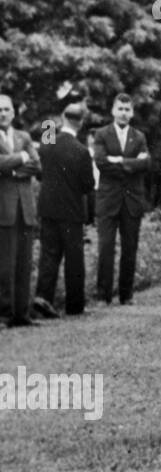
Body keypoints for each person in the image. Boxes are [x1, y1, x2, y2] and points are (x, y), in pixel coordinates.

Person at [32, 103, 94, 319]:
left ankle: (43, 297)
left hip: (47, 208)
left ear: (62, 118)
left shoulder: (47, 142)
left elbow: (40, 172)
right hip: (72, 211)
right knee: (74, 258)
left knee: (48, 255)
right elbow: (88, 185)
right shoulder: (82, 151)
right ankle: (74, 305)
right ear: (81, 122)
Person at [93, 94, 150, 305]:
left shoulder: (140, 137)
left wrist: (118, 161)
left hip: (132, 201)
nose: (124, 113)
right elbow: (100, 162)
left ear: (132, 112)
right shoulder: (102, 134)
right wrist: (132, 163)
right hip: (108, 200)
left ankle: (126, 295)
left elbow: (147, 164)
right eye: (120, 108)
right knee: (105, 247)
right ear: (113, 110)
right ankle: (103, 295)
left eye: (128, 109)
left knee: (130, 248)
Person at [0, 94, 42, 327]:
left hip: (25, 208)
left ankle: (22, 314)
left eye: (6, 109)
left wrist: (13, 169)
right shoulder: (22, 143)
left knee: (24, 264)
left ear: (13, 113)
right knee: (4, 265)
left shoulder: (24, 136)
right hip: (3, 210)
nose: (3, 113)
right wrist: (21, 157)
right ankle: (4, 314)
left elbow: (37, 164)